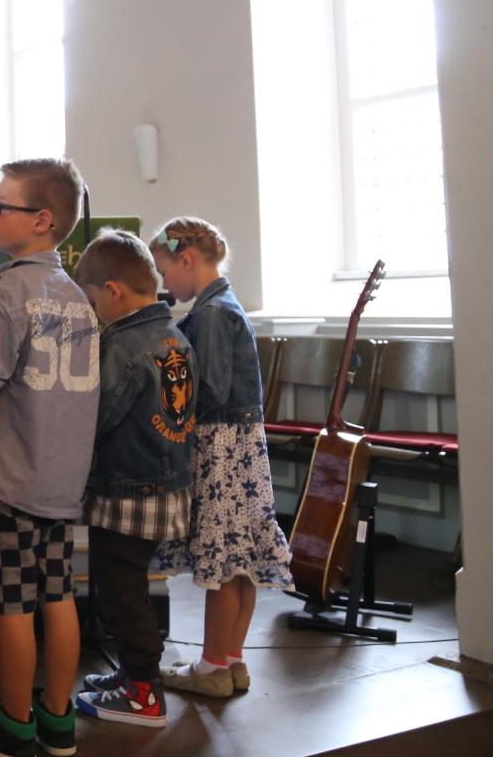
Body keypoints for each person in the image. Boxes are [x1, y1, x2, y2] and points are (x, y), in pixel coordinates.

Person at [0, 158, 100, 757]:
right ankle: (59, 720)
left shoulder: (2, 293)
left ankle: (14, 727)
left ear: (42, 221)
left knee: (13, 604)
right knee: (60, 594)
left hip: (11, 477)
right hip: (63, 478)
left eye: (1, 206)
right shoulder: (79, 297)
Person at [149, 217, 293, 700]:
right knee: (241, 561)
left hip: (221, 447)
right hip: (244, 447)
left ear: (186, 260)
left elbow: (206, 389)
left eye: (165, 271)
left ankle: (210, 665)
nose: (165, 283)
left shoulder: (211, 313)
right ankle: (231, 660)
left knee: (223, 562)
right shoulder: (226, 305)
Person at [69, 231, 196, 731]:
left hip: (127, 492)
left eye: (95, 299)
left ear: (114, 291)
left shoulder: (122, 346)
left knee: (122, 596)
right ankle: (131, 676)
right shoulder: (176, 335)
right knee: (131, 588)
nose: (95, 309)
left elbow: (97, 418)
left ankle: (144, 693)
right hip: (168, 485)